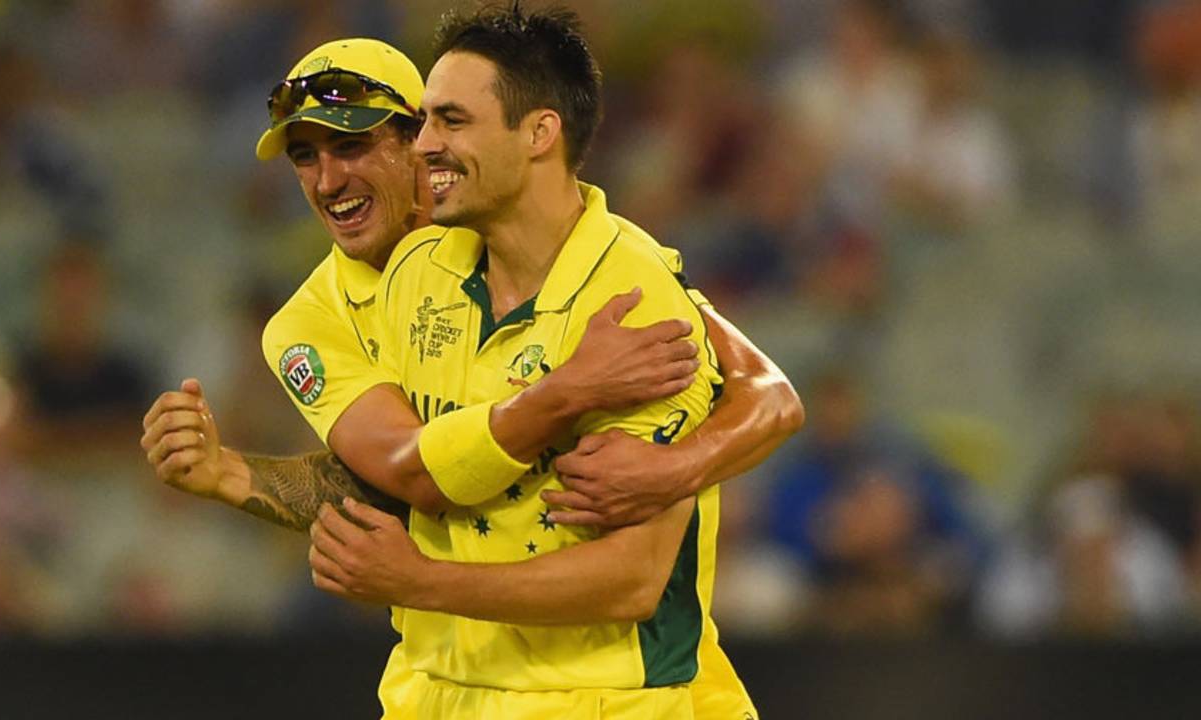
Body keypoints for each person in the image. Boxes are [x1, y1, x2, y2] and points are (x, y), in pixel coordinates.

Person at [140, 25, 800, 720]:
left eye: (354, 143)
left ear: (413, 142)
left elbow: (768, 390)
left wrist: (679, 465)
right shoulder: (327, 317)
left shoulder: (588, 262)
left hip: (613, 689)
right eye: (305, 157)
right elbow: (405, 477)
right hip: (442, 683)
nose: (328, 180)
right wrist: (231, 476)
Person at [306, 5, 765, 717]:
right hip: (433, 695)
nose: (423, 146)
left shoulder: (633, 304)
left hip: (601, 700)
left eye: (451, 121)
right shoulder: (417, 272)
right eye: (424, 120)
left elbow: (631, 581)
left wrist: (419, 581)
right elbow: (409, 472)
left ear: (540, 132)